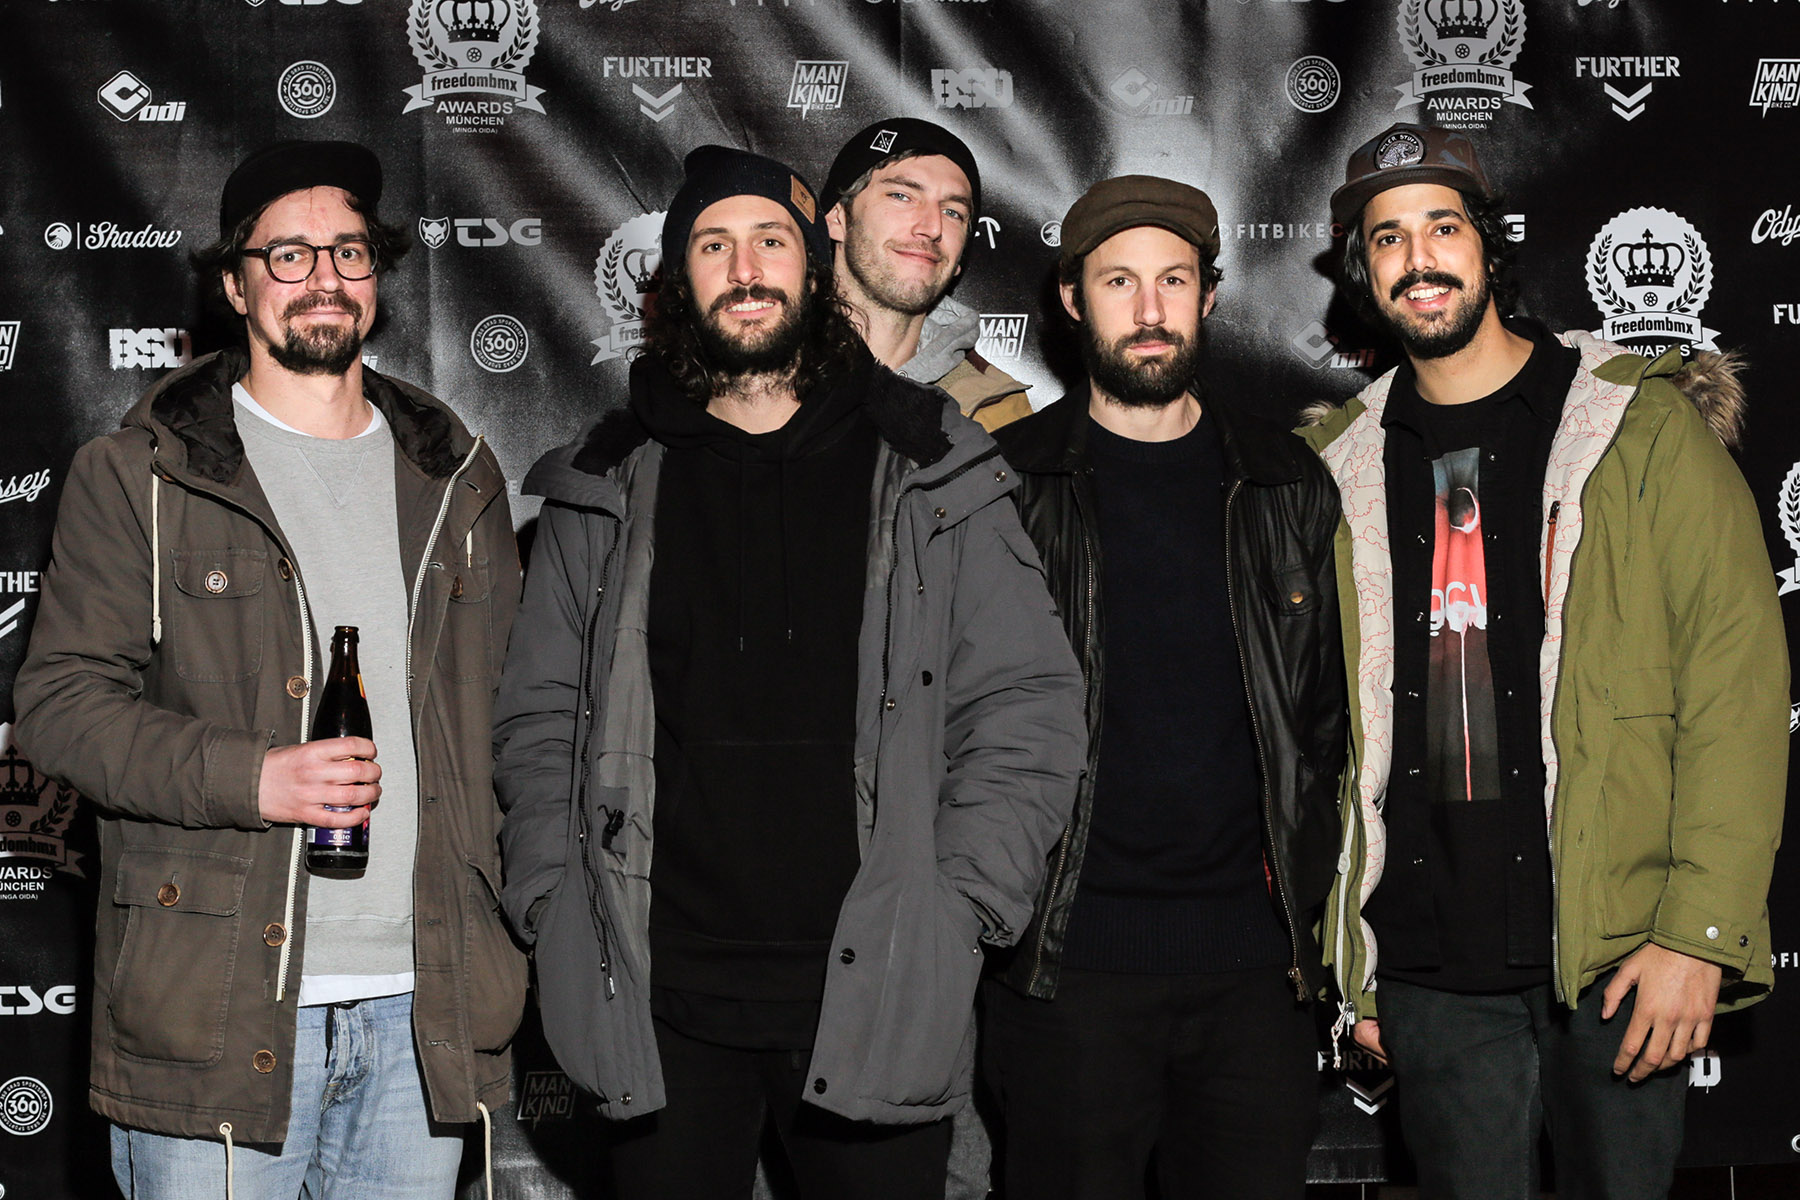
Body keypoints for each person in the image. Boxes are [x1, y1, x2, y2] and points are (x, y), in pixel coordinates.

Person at [492, 145, 1084, 1200]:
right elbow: (540, 719)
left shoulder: (930, 459)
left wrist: (959, 907)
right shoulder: (605, 480)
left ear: (817, 271)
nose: (747, 266)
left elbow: (1028, 705)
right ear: (677, 285)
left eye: (772, 240)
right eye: (714, 245)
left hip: (878, 991)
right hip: (659, 1003)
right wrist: (552, 896)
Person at [14, 140, 525, 1197]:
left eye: (348, 250)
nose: (323, 277)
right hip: (217, 1002)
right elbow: (60, 710)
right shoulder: (140, 474)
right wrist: (252, 778)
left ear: (378, 277)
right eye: (287, 255)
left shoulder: (456, 474)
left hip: (423, 1010)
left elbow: (518, 723)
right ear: (236, 282)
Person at [1301, 122, 1788, 1200]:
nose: (1418, 257)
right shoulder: (1333, 467)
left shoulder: (1641, 429)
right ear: (1358, 271)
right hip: (1430, 968)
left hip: (1620, 957)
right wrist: (1358, 963)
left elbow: (1736, 691)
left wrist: (1697, 934)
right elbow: (1327, 738)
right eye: (1387, 238)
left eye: (1442, 226)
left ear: (1490, 246)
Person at [981, 175, 1346, 1200]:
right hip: (1066, 972)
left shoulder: (1286, 483)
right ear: (1070, 299)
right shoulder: (1007, 484)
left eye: (1174, 280)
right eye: (1120, 281)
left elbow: (1324, 723)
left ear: (1209, 296)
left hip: (1253, 979)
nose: (1149, 311)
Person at [821, 117, 1031, 431]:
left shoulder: (998, 411)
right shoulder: (752, 375)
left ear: (959, 259)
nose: (932, 227)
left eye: (953, 212)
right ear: (838, 220)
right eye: (901, 196)